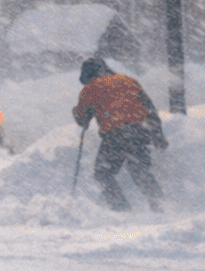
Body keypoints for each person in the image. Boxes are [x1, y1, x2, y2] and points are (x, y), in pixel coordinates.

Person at [72, 56, 167, 212]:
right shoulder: (129, 81)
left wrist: (77, 112)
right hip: (139, 131)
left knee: (103, 174)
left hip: (115, 136)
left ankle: (122, 209)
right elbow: (150, 109)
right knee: (139, 170)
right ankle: (159, 204)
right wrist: (158, 135)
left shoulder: (90, 89)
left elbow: (82, 119)